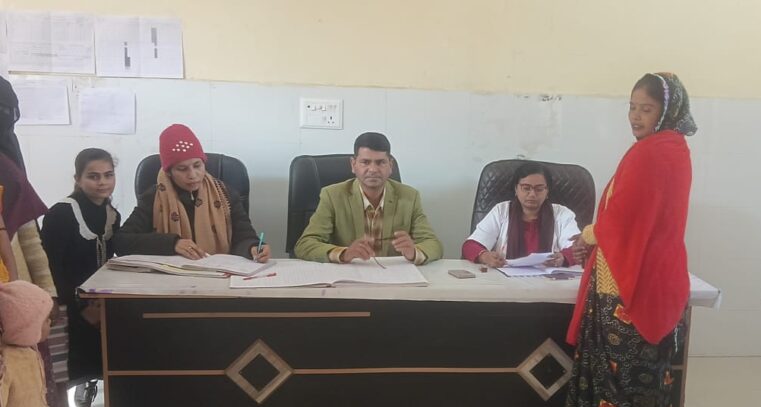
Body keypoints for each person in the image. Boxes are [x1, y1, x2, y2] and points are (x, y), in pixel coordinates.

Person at [552, 72, 696, 407]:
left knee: (620, 382)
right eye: (631, 107)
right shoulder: (672, 149)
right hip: (641, 277)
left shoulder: (652, 152)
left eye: (646, 109)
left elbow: (624, 219)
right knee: (639, 380)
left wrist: (588, 235)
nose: (635, 116)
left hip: (629, 288)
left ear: (666, 111)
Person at [0, 76, 73, 407]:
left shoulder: (7, 165)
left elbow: (29, 237)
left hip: (18, 304)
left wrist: (46, 295)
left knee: (30, 393)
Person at [114, 124, 271, 262]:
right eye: (182, 169)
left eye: (197, 165)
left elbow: (244, 236)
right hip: (171, 278)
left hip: (218, 274)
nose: (193, 175)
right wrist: (172, 243)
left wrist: (253, 247)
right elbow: (122, 241)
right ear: (169, 172)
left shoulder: (225, 194)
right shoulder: (154, 197)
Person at [41, 149, 121, 407]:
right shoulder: (61, 214)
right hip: (66, 302)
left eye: (108, 175)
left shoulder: (112, 214)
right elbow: (51, 268)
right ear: (77, 179)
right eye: (93, 176)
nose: (102, 182)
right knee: (64, 366)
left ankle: (99, 387)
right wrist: (81, 308)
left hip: (98, 299)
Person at [294, 132, 443, 264]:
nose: (373, 169)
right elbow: (304, 244)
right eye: (365, 162)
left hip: (392, 277)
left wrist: (414, 252)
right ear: (353, 164)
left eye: (380, 162)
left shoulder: (410, 196)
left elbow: (433, 244)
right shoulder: (332, 196)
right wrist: (344, 254)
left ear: (390, 166)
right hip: (350, 276)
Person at [462, 161, 580, 268]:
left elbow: (578, 248)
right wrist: (485, 256)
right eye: (526, 188)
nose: (532, 194)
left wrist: (563, 257)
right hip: (503, 280)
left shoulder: (562, 214)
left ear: (547, 191)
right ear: (516, 189)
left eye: (539, 189)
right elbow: (470, 246)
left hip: (549, 280)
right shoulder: (501, 211)